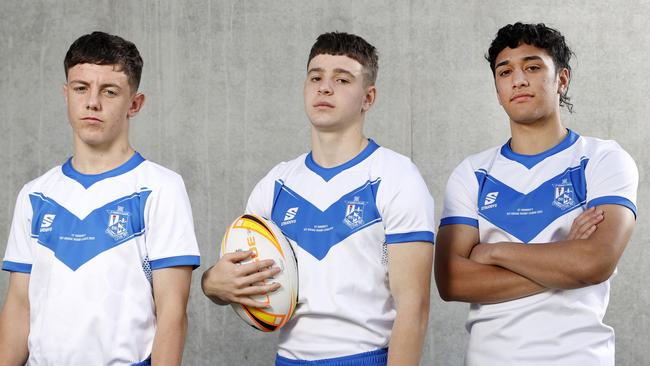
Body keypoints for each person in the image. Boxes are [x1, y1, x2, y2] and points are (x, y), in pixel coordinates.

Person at [202, 32, 435, 366]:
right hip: (288, 358)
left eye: (342, 79)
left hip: (365, 357)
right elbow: (235, 274)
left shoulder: (395, 175)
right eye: (316, 77)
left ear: (368, 98)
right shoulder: (277, 183)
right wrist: (213, 283)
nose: (325, 87)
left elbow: (414, 308)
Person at [435, 22, 638, 365]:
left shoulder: (602, 159)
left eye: (532, 67)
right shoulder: (472, 172)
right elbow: (451, 281)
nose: (518, 80)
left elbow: (594, 262)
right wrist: (563, 258)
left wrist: (491, 252)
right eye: (505, 72)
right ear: (498, 88)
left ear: (561, 79)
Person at [0, 31, 200, 365]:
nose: (92, 102)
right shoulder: (36, 195)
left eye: (109, 91)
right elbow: (19, 305)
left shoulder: (159, 188)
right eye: (81, 88)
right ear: (66, 94)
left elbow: (172, 313)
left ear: (134, 104)